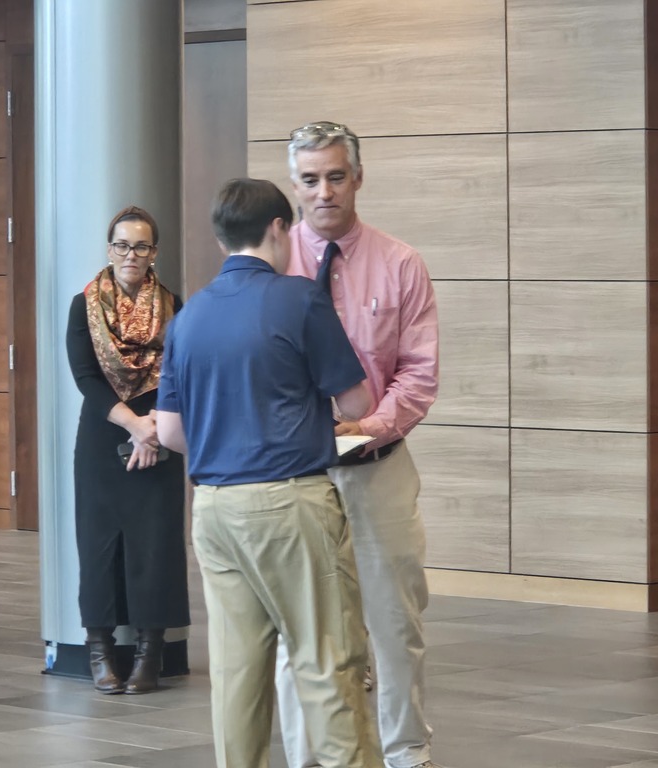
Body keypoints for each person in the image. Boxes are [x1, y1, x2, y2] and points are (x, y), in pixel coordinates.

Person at [156, 178, 382, 768]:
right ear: (280, 229)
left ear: (220, 238)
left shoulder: (189, 316)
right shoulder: (299, 297)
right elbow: (357, 404)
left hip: (213, 510)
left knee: (236, 673)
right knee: (327, 659)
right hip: (290, 505)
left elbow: (169, 433)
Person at [276, 121, 441, 768]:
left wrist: (367, 427)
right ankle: (307, 759)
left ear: (358, 178)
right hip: (298, 475)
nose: (324, 192)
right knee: (303, 635)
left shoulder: (400, 264)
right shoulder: (272, 265)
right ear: (294, 186)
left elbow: (419, 374)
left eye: (336, 177)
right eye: (310, 180)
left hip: (379, 470)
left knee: (397, 626)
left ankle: (407, 754)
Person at [65, 205, 190, 695]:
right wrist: (133, 424)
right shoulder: (85, 305)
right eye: (121, 245)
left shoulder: (174, 305)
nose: (130, 255)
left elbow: (180, 374)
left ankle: (149, 654)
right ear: (109, 248)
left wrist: (152, 429)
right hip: (103, 436)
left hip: (159, 434)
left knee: (154, 545)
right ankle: (100, 651)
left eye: (140, 246)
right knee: (99, 545)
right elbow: (85, 378)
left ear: (154, 252)